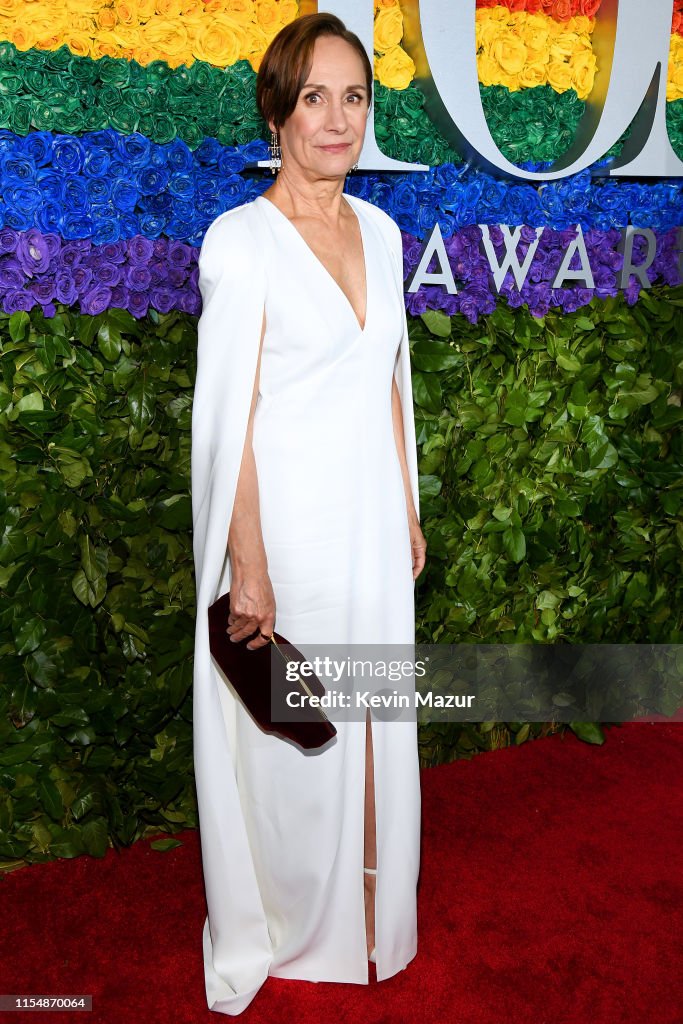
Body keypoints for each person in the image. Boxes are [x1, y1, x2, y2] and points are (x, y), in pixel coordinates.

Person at [190, 12, 427, 1016]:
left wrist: (408, 507)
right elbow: (227, 419)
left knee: (376, 716)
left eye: (355, 96)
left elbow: (388, 379)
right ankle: (300, 918)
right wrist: (248, 562)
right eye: (314, 97)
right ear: (277, 114)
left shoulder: (381, 229)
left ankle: (374, 902)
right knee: (301, 736)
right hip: (289, 534)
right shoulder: (239, 244)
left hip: (371, 531)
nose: (337, 120)